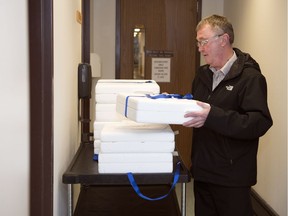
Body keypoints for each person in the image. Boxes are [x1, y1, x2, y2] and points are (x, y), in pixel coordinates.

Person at [182, 14, 273, 216]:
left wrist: (212, 116)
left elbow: (258, 123)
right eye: (198, 42)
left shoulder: (250, 78)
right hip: (203, 171)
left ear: (223, 39)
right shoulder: (202, 75)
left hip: (232, 177)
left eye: (204, 41)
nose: (200, 48)